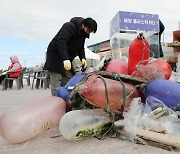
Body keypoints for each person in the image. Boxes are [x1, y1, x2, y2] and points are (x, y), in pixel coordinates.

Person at [44, 17, 97, 96]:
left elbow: (80, 48)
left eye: (90, 31)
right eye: (88, 30)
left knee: (70, 78)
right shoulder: (69, 27)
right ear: (83, 25)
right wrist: (65, 59)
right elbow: (61, 42)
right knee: (57, 78)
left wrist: (83, 58)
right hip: (55, 56)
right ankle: (56, 101)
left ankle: (68, 99)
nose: (89, 32)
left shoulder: (83, 34)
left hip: (67, 58)